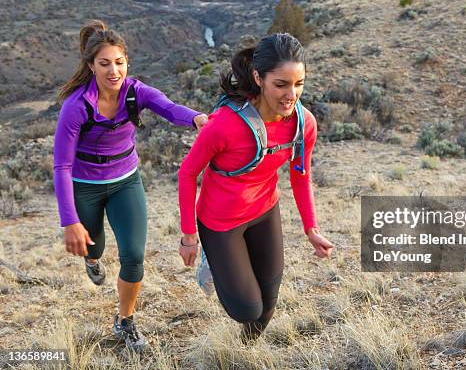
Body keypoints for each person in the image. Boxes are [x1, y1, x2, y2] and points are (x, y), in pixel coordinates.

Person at [53, 19, 207, 351]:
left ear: (127, 63)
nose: (113, 70)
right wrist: (70, 222)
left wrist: (195, 117)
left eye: (119, 62)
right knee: (93, 246)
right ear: (91, 65)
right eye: (105, 63)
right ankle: (92, 259)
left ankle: (125, 322)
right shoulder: (76, 107)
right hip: (85, 185)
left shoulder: (136, 93)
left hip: (126, 181)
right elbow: (62, 165)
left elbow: (168, 107)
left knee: (134, 256)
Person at [177, 33, 334, 343]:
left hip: (263, 210)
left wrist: (311, 228)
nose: (292, 95)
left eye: (298, 84)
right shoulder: (224, 125)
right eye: (282, 84)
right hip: (220, 221)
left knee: (268, 302)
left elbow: (300, 175)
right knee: (247, 309)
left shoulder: (304, 124)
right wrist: (188, 236)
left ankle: (241, 352)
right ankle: (215, 261)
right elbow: (187, 174)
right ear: (258, 77)